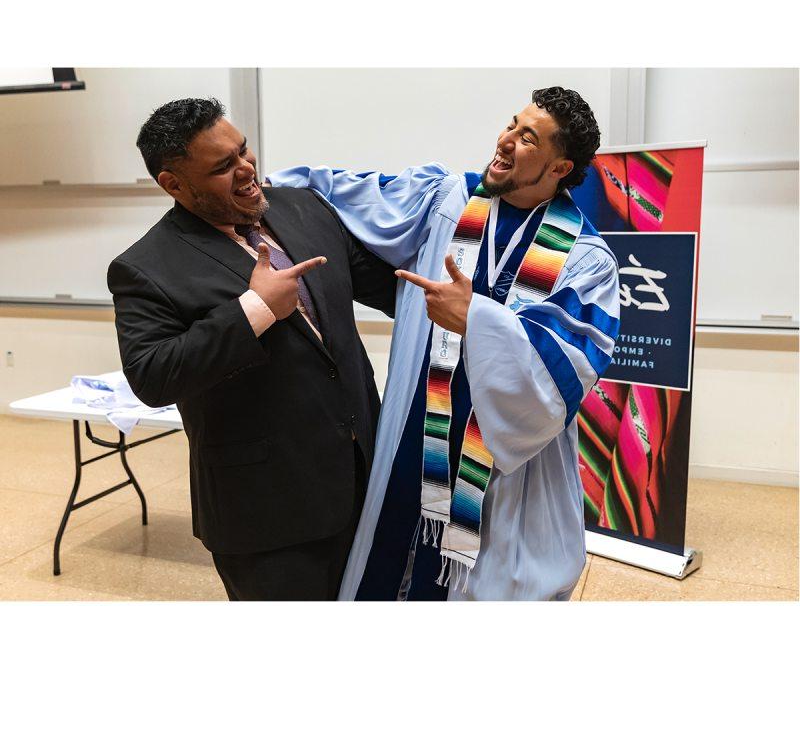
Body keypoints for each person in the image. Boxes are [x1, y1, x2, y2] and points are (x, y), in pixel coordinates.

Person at [267, 86, 621, 601]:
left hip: (505, 466)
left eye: (528, 139)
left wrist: (474, 320)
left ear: (560, 167)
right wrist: (271, 185)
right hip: (416, 429)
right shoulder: (449, 200)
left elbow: (564, 372)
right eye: (511, 125)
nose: (506, 142)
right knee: (390, 563)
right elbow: (356, 193)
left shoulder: (587, 260)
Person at [108, 98, 397, 601]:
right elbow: (151, 376)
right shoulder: (144, 267)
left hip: (363, 477)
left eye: (244, 152)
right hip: (266, 515)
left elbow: (385, 285)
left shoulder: (304, 207)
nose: (246, 171)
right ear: (173, 184)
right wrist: (255, 310)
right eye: (223, 167)